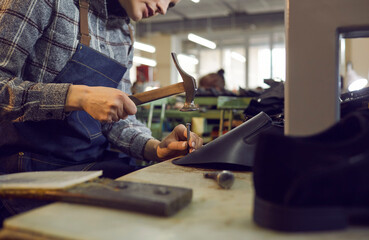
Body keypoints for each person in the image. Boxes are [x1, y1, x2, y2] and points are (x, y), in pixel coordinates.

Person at [0, 0, 203, 221]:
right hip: (26, 171)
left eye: (171, 5)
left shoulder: (125, 32)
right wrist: (76, 96)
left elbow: (116, 118)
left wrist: (155, 148)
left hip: (90, 167)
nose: (163, 9)